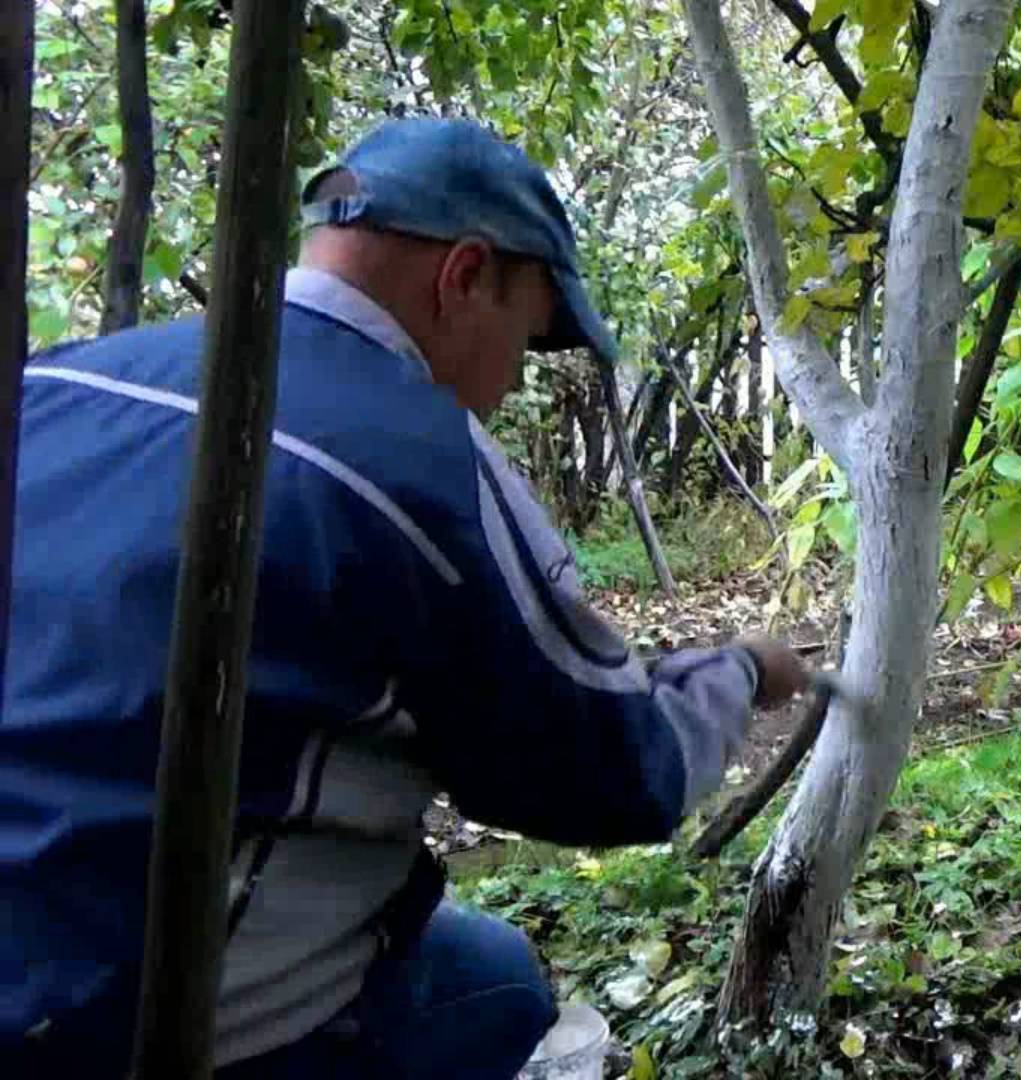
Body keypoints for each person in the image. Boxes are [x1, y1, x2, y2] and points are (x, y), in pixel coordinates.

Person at [0, 117, 809, 1079]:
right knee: (501, 986)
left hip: (30, 944)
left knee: (469, 953)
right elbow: (610, 772)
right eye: (528, 333)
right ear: (464, 275)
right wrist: (739, 670)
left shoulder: (61, 383)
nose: (511, 378)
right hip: (111, 1024)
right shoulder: (417, 466)